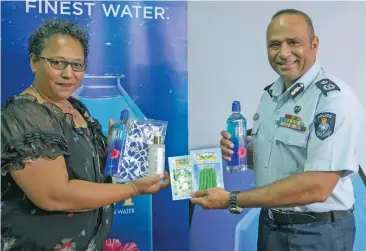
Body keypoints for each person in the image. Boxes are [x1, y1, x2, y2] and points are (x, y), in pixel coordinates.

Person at [190, 9, 365, 251]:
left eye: (293, 42)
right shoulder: (272, 95)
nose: (283, 53)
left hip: (316, 233)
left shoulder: (332, 100)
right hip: (271, 226)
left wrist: (232, 198)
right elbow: (279, 157)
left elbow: (318, 185)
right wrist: (240, 153)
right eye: (274, 44)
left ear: (314, 44)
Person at [1, 19, 170, 250]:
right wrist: (133, 189)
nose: (68, 74)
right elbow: (55, 196)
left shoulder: (77, 108)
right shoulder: (23, 115)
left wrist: (115, 151)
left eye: (77, 65)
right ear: (33, 61)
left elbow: (93, 177)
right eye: (58, 63)